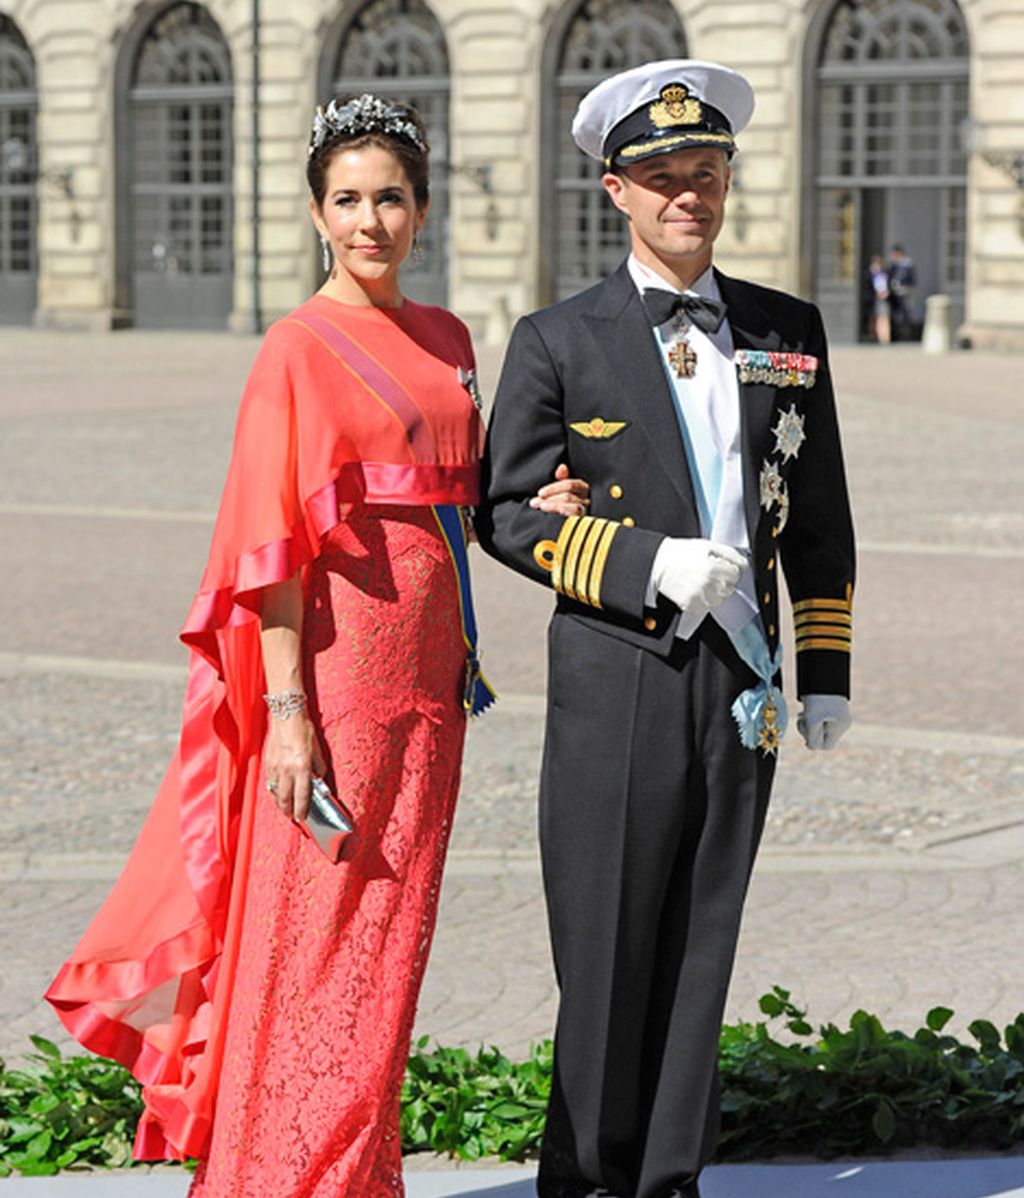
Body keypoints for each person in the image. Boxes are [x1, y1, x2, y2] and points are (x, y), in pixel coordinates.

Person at [46, 93, 587, 1197]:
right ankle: (283, 1174)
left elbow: (473, 492)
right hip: (336, 691)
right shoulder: (293, 349)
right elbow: (268, 551)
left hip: (434, 695)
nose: (369, 220)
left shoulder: (450, 339)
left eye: (389, 197)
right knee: (315, 944)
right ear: (315, 212)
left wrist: (544, 492)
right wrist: (287, 716)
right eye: (347, 200)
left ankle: (359, 1170)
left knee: (392, 943)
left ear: (422, 209)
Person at [476, 60, 856, 1198]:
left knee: (701, 947)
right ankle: (589, 1179)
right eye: (660, 176)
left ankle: (670, 1180)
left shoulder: (788, 330)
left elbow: (821, 511)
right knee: (604, 949)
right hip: (618, 672)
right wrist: (646, 563)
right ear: (614, 189)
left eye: (705, 172)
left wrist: (824, 663)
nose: (686, 194)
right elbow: (501, 508)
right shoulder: (558, 337)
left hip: (740, 682)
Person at [887, 243, 916, 341]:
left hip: (904, 292)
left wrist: (908, 289)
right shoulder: (893, 264)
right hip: (894, 292)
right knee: (896, 314)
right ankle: (896, 335)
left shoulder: (907, 264)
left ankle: (906, 336)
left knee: (906, 314)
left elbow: (911, 279)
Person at [867, 253, 891, 343]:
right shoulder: (869, 274)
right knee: (872, 319)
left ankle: (884, 338)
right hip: (872, 300)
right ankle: (873, 336)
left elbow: (889, 285)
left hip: (882, 299)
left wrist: (886, 293)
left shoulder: (885, 274)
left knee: (883, 317)